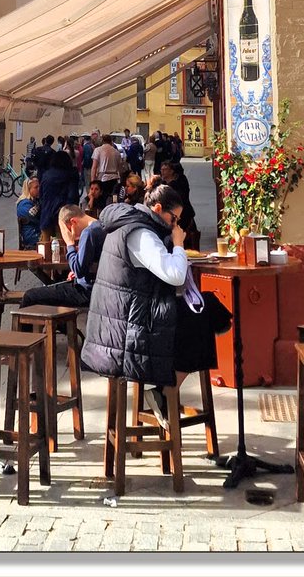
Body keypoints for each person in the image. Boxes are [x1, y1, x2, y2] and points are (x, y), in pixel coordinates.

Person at [81, 183, 228, 429]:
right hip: (127, 332)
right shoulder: (141, 234)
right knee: (203, 318)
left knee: (207, 311)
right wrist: (179, 244)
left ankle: (167, 387)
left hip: (123, 319)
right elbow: (175, 275)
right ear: (158, 208)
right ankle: (164, 389)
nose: (175, 225)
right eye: (174, 219)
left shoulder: (131, 224)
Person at [20, 204, 106, 309]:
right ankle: (59, 324)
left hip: (86, 291)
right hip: (95, 286)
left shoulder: (89, 233)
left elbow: (78, 269)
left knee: (30, 296)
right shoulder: (100, 226)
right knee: (53, 288)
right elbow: (85, 265)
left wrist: (70, 243)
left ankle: (22, 324)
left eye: (67, 231)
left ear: (73, 222)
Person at [160, 159, 200, 250]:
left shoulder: (179, 182)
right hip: (170, 216)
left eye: (165, 170)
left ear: (171, 171)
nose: (162, 172)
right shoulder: (163, 183)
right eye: (161, 170)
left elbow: (180, 198)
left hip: (183, 215)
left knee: (186, 239)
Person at [39, 149, 74, 241]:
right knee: (62, 243)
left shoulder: (46, 175)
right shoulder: (70, 175)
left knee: (45, 244)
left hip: (46, 212)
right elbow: (72, 196)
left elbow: (41, 195)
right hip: (63, 213)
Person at [90, 132, 122, 200]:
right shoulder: (116, 152)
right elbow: (120, 168)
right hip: (114, 179)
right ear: (111, 141)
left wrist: (92, 182)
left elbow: (94, 167)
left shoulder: (98, 150)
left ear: (102, 141)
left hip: (102, 178)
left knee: (102, 199)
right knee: (113, 198)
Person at [16, 176, 41, 249]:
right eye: (36, 187)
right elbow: (34, 216)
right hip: (32, 235)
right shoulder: (24, 204)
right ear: (28, 189)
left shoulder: (35, 200)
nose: (39, 189)